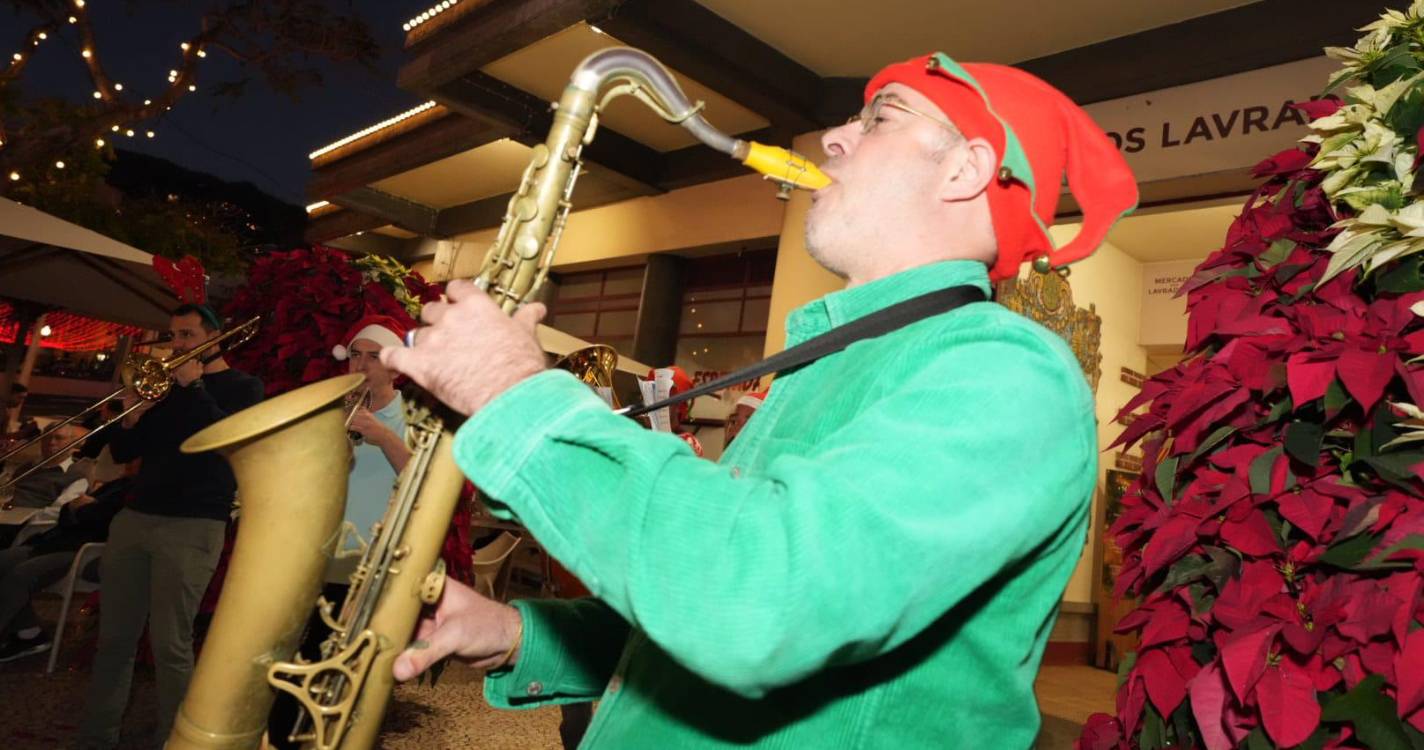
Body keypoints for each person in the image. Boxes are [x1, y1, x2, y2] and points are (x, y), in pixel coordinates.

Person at [380, 52, 1136, 748]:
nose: (834, 138)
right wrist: (519, 634)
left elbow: (764, 606)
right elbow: (701, 613)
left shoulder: (1008, 369)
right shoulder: (840, 360)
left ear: (966, 169)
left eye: (879, 118)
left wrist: (513, 391)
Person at [77, 306, 263, 750]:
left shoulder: (243, 387)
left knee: (170, 645)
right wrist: (132, 417)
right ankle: (97, 737)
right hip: (136, 518)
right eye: (174, 335)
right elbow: (125, 453)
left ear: (214, 337)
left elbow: (229, 442)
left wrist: (194, 386)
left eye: (188, 334)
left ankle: (175, 740)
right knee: (114, 640)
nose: (177, 344)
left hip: (194, 525)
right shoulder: (163, 390)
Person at [265, 314, 414, 749]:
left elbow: (426, 480)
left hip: (369, 557)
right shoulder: (333, 407)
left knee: (344, 662)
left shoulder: (413, 415)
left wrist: (383, 436)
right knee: (293, 656)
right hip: (316, 550)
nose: (361, 365)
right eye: (354, 355)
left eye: (374, 357)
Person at [0, 474, 131, 662]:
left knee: (20, 575)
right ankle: (29, 633)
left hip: (81, 550)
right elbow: (68, 511)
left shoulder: (138, 492)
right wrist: (77, 508)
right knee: (4, 561)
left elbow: (104, 521)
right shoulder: (117, 483)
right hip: (55, 541)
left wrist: (84, 508)